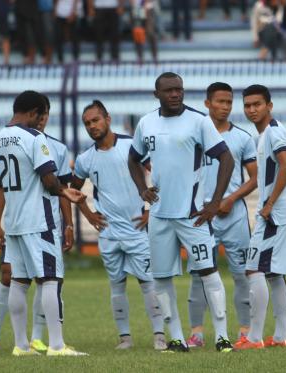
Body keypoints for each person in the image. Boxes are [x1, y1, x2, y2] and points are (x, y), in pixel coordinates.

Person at [128, 72, 235, 353]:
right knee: (162, 278)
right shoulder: (146, 123)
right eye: (169, 90)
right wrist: (142, 188)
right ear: (157, 94)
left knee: (209, 272)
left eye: (179, 90)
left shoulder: (199, 121)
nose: (175, 94)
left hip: (193, 216)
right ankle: (176, 337)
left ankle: (222, 337)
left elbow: (226, 158)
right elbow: (133, 158)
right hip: (160, 217)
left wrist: (215, 202)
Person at [0, 90, 87, 356]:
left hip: (14, 221)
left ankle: (21, 345)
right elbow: (48, 178)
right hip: (38, 220)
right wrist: (65, 191)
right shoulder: (35, 138)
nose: (42, 121)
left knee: (20, 282)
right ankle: (56, 345)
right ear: (34, 112)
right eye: (41, 115)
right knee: (50, 279)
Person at [71, 100, 166, 350]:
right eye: (87, 123)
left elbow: (159, 174)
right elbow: (73, 191)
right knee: (117, 285)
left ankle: (159, 335)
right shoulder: (85, 159)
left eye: (96, 120)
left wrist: (150, 212)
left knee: (148, 283)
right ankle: (124, 338)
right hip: (109, 232)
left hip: (137, 230)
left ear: (108, 119)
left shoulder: (131, 146)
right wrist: (89, 214)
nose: (92, 126)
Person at [186, 83, 257, 347]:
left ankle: (245, 330)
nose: (225, 106)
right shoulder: (194, 135)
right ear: (207, 103)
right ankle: (197, 333)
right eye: (220, 102)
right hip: (201, 215)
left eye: (229, 102)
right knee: (198, 274)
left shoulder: (242, 137)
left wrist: (230, 199)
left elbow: (254, 178)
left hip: (233, 213)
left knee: (241, 274)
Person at [234, 84, 286, 350]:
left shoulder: (274, 132)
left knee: (254, 269)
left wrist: (269, 204)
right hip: (276, 213)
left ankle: (255, 338)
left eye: (257, 104)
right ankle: (280, 337)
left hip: (274, 214)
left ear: (269, 105)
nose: (252, 109)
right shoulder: (264, 134)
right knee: (274, 274)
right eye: (247, 105)